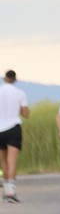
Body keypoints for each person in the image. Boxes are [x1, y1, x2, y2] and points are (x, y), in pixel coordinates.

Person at [0, 69, 28, 201]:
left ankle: (6, 190)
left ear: (4, 78)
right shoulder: (20, 93)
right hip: (13, 128)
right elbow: (25, 114)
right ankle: (11, 191)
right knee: (12, 161)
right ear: (15, 80)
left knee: (3, 161)